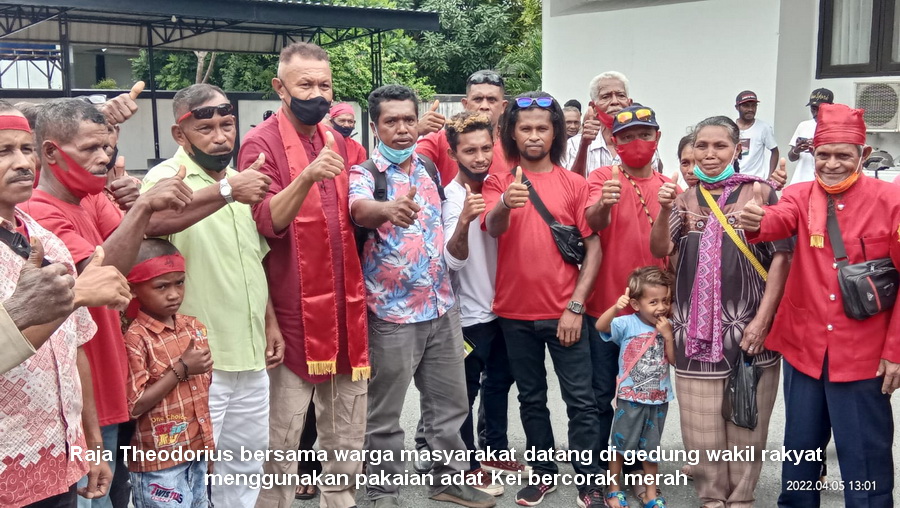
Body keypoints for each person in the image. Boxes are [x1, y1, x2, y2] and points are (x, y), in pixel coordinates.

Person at [20, 97, 193, 508]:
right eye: (90, 149)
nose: (103, 158)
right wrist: (145, 205)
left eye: (107, 147)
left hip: (107, 378)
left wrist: (133, 204)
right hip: (78, 394)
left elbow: (138, 257)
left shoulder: (91, 197)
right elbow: (103, 275)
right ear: (50, 153)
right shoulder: (39, 211)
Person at [740, 103, 900, 508]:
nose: (831, 164)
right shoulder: (797, 195)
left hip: (863, 356)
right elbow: (776, 220)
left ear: (863, 156)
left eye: (843, 155)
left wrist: (895, 353)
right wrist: (756, 217)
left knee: (864, 457)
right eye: (823, 154)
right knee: (801, 451)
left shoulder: (892, 201)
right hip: (805, 351)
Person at [349, 84, 495, 508]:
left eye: (408, 120)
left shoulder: (429, 170)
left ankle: (447, 478)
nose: (401, 129)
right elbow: (359, 209)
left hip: (441, 309)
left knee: (450, 405)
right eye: (391, 121)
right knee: (384, 414)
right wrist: (387, 210)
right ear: (375, 127)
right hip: (391, 316)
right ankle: (381, 490)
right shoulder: (365, 174)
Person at [240, 42, 369, 508]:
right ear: (280, 87)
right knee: (283, 432)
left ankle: (341, 500)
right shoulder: (261, 144)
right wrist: (307, 176)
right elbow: (266, 221)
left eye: (324, 85)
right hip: (291, 312)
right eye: (305, 85)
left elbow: (358, 208)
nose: (317, 94)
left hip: (344, 308)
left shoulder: (338, 140)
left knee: (348, 427)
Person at [141, 83, 277, 507]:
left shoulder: (241, 182)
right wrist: (225, 193)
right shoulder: (167, 177)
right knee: (186, 473)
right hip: (196, 359)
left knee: (245, 465)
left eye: (228, 124)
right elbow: (153, 221)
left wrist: (270, 324)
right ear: (180, 135)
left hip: (250, 354)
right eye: (207, 127)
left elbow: (255, 261)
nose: (220, 135)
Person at [650, 115, 792, 507]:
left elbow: (783, 258)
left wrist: (763, 320)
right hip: (694, 329)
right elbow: (661, 249)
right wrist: (663, 211)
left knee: (748, 417)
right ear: (691, 151)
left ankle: (742, 498)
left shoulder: (761, 193)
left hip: (751, 327)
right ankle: (711, 497)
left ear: (737, 150)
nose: (709, 155)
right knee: (701, 423)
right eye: (702, 146)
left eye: (719, 146)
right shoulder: (684, 198)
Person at [0, 101, 132, 507]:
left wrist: (92, 443)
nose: (23, 163)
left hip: (59, 455)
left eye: (27, 149)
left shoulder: (45, 239)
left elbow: (76, 352)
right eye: (4, 151)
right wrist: (73, 296)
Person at [482, 92, 605, 507]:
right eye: (525, 128)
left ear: (555, 133)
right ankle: (544, 472)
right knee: (531, 398)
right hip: (513, 314)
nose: (534, 136)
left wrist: (575, 307)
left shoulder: (575, 183)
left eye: (542, 128)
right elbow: (493, 227)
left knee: (581, 401)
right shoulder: (500, 180)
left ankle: (589, 479)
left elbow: (593, 248)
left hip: (564, 313)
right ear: (512, 134)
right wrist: (504, 203)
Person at [582, 105, 676, 480]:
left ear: (657, 138)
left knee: (646, 396)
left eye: (644, 134)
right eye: (625, 137)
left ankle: (637, 469)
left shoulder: (670, 186)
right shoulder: (602, 176)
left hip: (652, 318)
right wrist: (605, 199)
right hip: (607, 310)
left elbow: (666, 250)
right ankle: (604, 471)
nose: (636, 143)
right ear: (612, 141)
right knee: (603, 395)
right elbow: (592, 222)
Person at [441, 111, 517, 495]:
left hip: (507, 307)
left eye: (486, 148)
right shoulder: (450, 197)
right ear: (453, 152)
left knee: (501, 382)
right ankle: (467, 463)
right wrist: (464, 223)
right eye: (469, 150)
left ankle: (495, 448)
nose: (480, 157)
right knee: (465, 391)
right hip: (469, 313)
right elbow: (453, 260)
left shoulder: (503, 187)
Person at [124, 239, 214, 508]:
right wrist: (181, 369)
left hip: (196, 451)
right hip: (158, 463)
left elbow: (201, 392)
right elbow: (134, 406)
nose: (174, 294)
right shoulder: (135, 338)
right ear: (133, 289)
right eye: (161, 286)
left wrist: (208, 445)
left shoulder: (193, 327)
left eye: (179, 283)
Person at [595, 267, 676, 508]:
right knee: (620, 446)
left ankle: (651, 492)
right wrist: (616, 307)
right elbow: (601, 326)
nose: (661, 307)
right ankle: (614, 488)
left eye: (665, 300)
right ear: (636, 304)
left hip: (659, 399)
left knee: (651, 448)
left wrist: (668, 336)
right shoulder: (626, 323)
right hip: (630, 398)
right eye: (653, 301)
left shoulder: (668, 325)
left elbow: (674, 360)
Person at [416, 70, 510, 184]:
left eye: (492, 100)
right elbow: (401, 166)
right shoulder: (441, 138)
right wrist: (416, 131)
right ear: (465, 104)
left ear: (503, 107)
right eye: (478, 99)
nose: (484, 106)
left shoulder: (513, 145)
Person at [565, 71, 661, 177]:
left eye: (621, 95)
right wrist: (584, 146)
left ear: (629, 104)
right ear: (593, 107)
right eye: (606, 97)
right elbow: (572, 187)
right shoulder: (573, 145)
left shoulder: (644, 144)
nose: (615, 102)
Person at [787, 88, 833, 186]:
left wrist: (817, 149)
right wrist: (797, 150)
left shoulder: (836, 128)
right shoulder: (803, 125)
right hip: (801, 181)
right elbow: (791, 157)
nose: (816, 113)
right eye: (813, 108)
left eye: (820, 109)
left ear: (831, 107)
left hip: (825, 183)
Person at [734, 90, 779, 179]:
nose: (750, 109)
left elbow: (775, 151)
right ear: (737, 107)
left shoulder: (763, 127)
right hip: (733, 179)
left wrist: (770, 176)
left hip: (755, 180)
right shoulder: (730, 128)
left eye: (753, 106)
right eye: (746, 106)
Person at [330, 102, 367, 166]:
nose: (346, 125)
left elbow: (361, 174)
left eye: (350, 121)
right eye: (342, 121)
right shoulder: (322, 142)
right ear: (331, 122)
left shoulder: (359, 149)